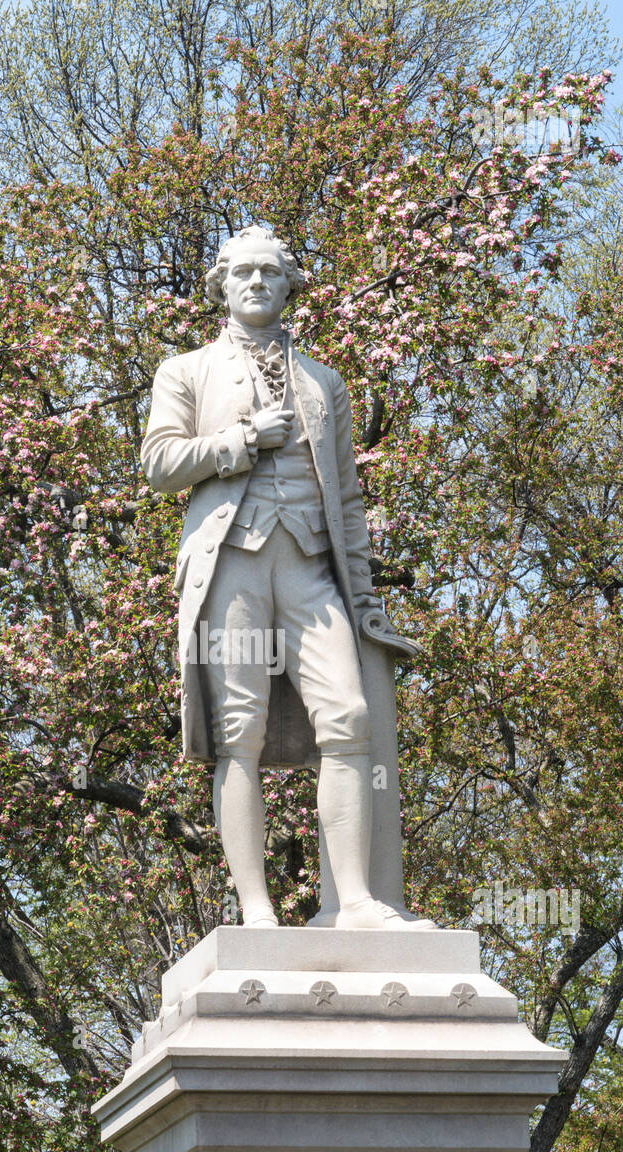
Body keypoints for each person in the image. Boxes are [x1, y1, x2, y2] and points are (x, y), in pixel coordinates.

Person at [142, 225, 430, 929]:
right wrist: (237, 444)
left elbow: (349, 499)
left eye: (270, 272)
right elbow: (157, 464)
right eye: (242, 272)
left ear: (289, 283)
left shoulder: (324, 382)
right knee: (237, 730)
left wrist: (363, 598)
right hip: (233, 564)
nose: (256, 283)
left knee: (350, 716)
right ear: (221, 285)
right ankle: (256, 908)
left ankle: (353, 901)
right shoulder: (185, 371)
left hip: (308, 568)